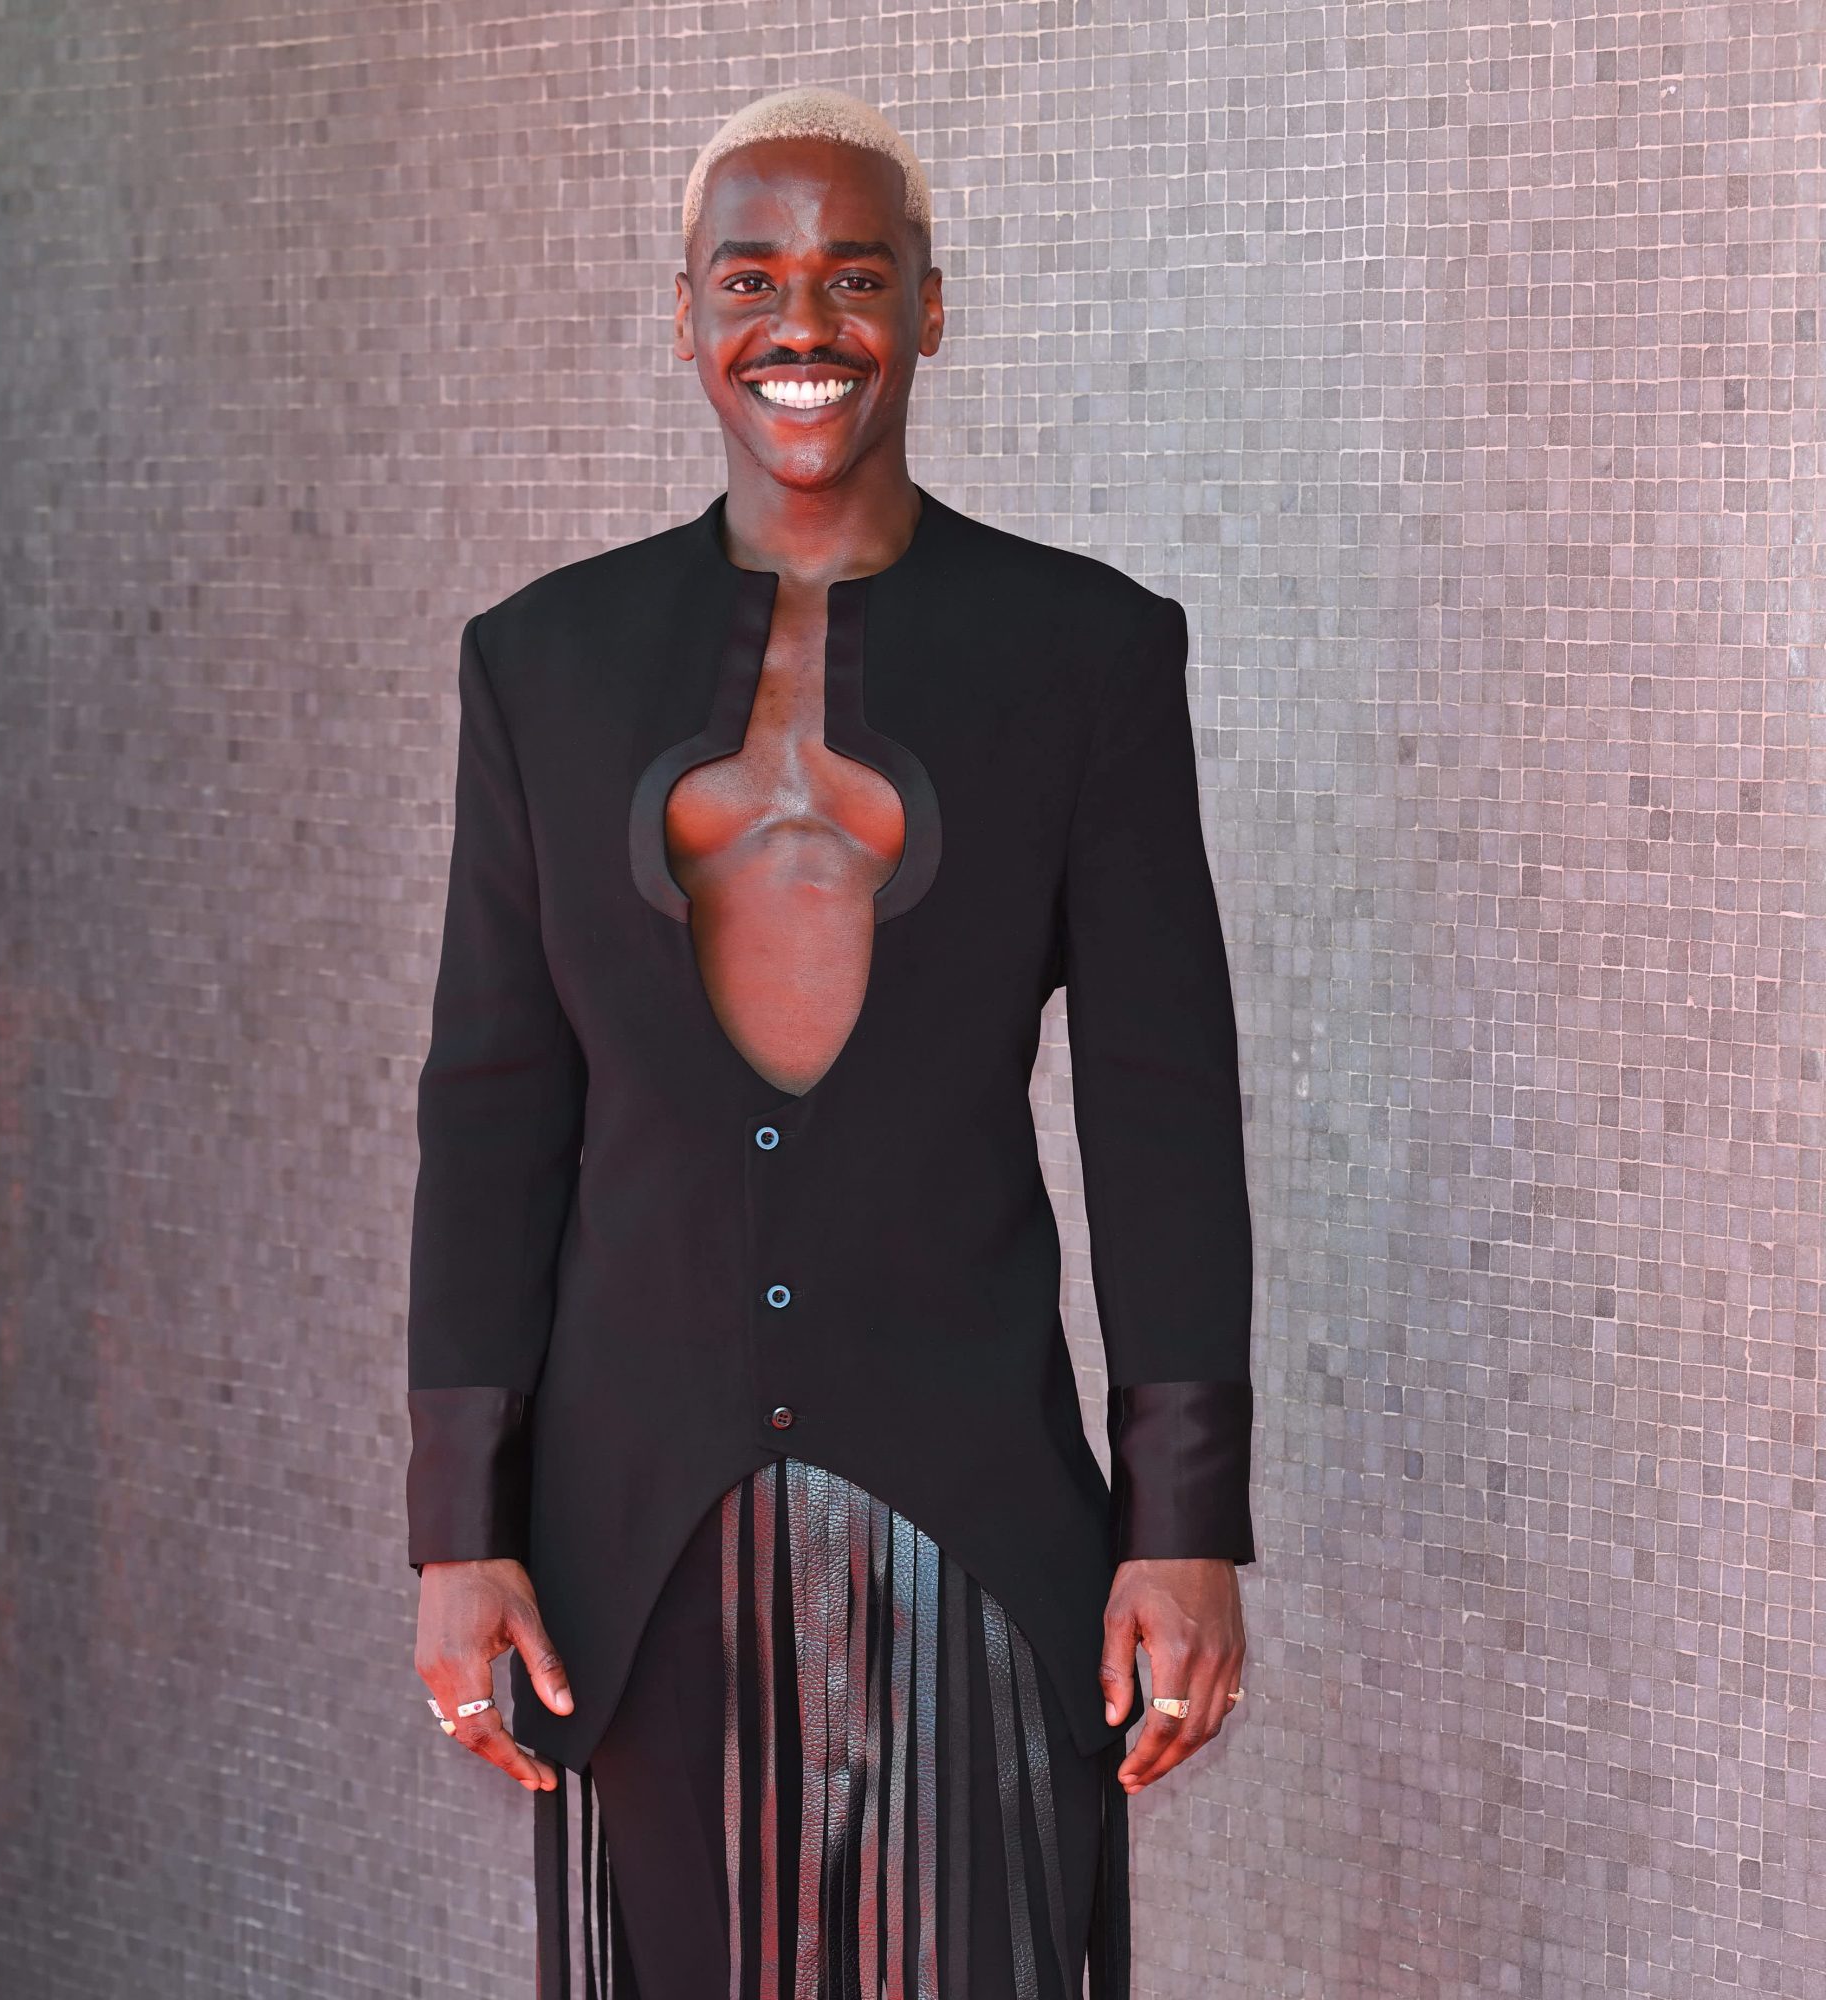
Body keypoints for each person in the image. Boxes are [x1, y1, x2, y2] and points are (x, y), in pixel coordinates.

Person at [405, 84, 1256, 1999]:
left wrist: (1183, 1523)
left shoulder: (1090, 653)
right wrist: (459, 1526)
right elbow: (493, 1112)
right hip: (632, 1538)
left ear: (930, 309)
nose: (803, 324)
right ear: (685, 313)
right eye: (752, 278)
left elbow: (1162, 1111)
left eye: (856, 279)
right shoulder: (537, 665)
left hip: (977, 1508)